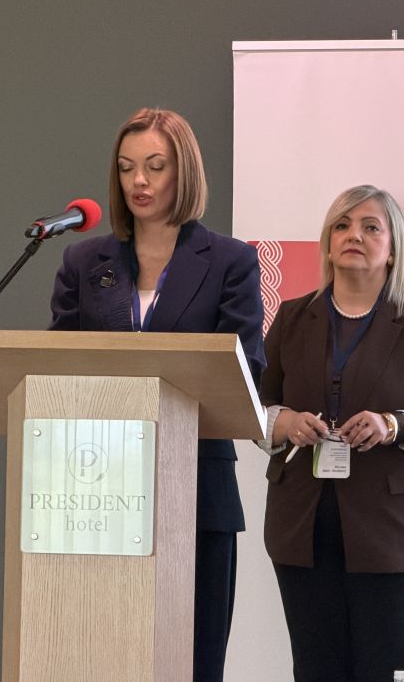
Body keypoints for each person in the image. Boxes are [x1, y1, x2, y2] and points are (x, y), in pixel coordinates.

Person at [49, 107, 266, 682]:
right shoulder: (83, 261)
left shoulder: (230, 261)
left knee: (193, 663)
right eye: (126, 168)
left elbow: (247, 369)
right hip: (97, 493)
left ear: (183, 172)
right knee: (101, 660)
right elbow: (57, 366)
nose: (138, 181)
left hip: (195, 489)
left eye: (154, 166)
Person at [259, 184, 404, 682]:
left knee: (384, 671)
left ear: (392, 248)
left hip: (393, 531)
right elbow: (255, 406)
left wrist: (394, 424)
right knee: (316, 670)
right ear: (328, 243)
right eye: (342, 225)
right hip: (302, 526)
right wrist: (284, 422)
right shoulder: (292, 317)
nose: (353, 235)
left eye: (370, 227)